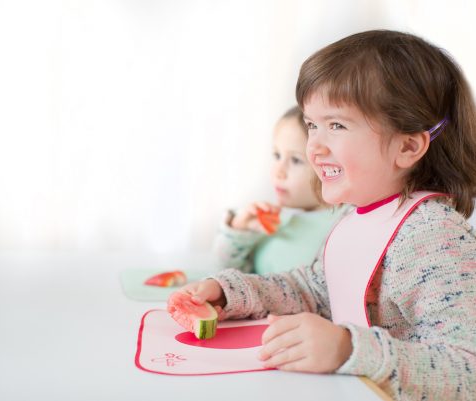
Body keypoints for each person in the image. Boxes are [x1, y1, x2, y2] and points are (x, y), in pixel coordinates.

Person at [171, 30, 476, 400]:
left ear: (408, 145)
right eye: (312, 125)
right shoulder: (357, 215)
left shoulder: (434, 236)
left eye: (336, 125)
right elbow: (315, 291)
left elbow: (466, 369)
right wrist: (232, 293)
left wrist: (348, 349)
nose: (314, 146)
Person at [214, 106, 346, 274]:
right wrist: (239, 231)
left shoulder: (342, 225)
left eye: (296, 160)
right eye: (277, 156)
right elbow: (229, 273)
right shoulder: (273, 218)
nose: (278, 171)